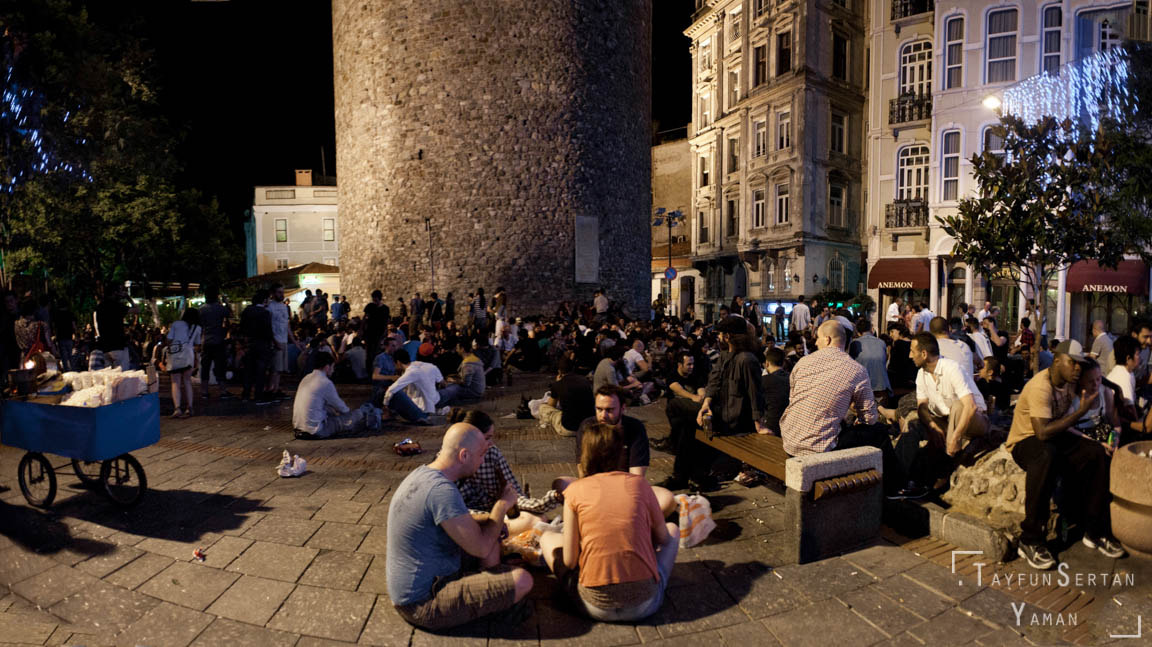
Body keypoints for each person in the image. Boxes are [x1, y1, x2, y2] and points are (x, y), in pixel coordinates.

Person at [386, 422, 534, 631]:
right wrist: (501, 505)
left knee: (492, 533)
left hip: (428, 575)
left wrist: (490, 520)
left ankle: (495, 590)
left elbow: (456, 520)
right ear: (464, 456)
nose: (483, 461)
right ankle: (496, 600)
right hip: (422, 601)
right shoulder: (442, 492)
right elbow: (480, 547)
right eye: (481, 455)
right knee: (523, 580)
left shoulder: (424, 474)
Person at [539, 422, 678, 622]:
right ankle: (643, 576)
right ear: (620, 452)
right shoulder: (639, 484)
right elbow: (664, 538)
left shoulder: (574, 491)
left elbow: (569, 561)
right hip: (645, 604)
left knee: (547, 537)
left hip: (593, 606)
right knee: (673, 530)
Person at [1007, 345, 1125, 570]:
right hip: (1026, 441)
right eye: (1073, 362)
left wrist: (1117, 390)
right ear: (1057, 360)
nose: (1077, 368)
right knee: (1047, 455)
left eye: (1079, 363)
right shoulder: (1040, 387)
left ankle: (1094, 530)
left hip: (1055, 437)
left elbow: (1099, 379)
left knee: (1096, 453)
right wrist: (1081, 412)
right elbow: (1042, 433)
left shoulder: (1071, 379)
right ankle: (1030, 539)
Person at [780, 321, 904, 493]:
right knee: (879, 432)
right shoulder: (856, 370)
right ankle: (895, 487)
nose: (815, 343)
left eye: (818, 339)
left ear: (828, 339)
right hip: (818, 448)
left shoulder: (802, 363)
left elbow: (794, 398)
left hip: (790, 441)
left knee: (842, 426)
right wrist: (856, 412)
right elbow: (870, 417)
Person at [902, 332, 989, 496]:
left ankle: (944, 471)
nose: (909, 355)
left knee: (958, 405)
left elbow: (970, 406)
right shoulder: (922, 374)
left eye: (912, 351)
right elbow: (922, 406)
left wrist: (955, 437)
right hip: (947, 420)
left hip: (975, 420)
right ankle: (904, 477)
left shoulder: (951, 368)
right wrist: (933, 426)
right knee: (914, 423)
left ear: (924, 354)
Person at [451, 408, 561, 535]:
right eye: (487, 438)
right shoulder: (450, 467)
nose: (491, 444)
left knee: (538, 519)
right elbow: (455, 513)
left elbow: (514, 494)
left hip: (497, 516)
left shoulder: (492, 453)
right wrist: (494, 516)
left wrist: (548, 501)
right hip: (468, 524)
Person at [575, 386, 674, 515]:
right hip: (594, 488)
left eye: (609, 410)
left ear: (622, 408)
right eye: (599, 409)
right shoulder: (588, 427)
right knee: (561, 483)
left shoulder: (634, 428)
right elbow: (583, 472)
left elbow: (636, 477)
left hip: (624, 488)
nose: (603, 415)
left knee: (666, 498)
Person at [695, 315, 767, 438]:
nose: (718, 337)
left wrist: (758, 423)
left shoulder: (746, 359)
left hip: (736, 423)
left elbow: (755, 393)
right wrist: (706, 403)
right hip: (720, 414)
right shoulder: (724, 355)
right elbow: (714, 380)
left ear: (727, 336)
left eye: (720, 334)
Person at [657, 350, 713, 491]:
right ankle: (688, 476)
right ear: (679, 364)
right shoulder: (673, 376)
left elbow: (701, 392)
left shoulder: (696, 376)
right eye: (688, 364)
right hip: (681, 413)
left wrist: (700, 399)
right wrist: (694, 398)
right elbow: (679, 390)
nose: (691, 367)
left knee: (685, 430)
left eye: (693, 364)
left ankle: (682, 476)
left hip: (692, 414)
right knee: (678, 410)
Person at [292, 353, 370, 439]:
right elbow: (343, 409)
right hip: (317, 431)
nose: (333, 370)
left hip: (298, 428)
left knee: (330, 410)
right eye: (333, 367)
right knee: (357, 415)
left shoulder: (306, 378)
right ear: (327, 367)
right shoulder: (325, 382)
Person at [383, 348, 443, 424]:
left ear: (398, 362)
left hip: (422, 413)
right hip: (431, 404)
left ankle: (385, 412)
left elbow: (391, 390)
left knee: (394, 392)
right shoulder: (421, 366)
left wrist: (385, 405)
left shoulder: (411, 372)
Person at [538, 356, 594, 437]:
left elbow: (551, 405)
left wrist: (557, 385)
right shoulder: (585, 380)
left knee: (543, 408)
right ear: (573, 368)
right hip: (588, 426)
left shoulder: (558, 384)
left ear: (559, 371)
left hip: (569, 428)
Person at [267, 284, 303, 400]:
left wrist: (294, 340)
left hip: (283, 340)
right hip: (276, 340)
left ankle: (276, 389)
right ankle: (270, 390)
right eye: (279, 292)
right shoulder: (269, 307)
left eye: (282, 292)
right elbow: (268, 326)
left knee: (280, 368)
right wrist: (274, 340)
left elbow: (286, 325)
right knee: (275, 368)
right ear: (273, 293)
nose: (281, 295)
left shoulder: (284, 307)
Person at [165, 308, 202, 418]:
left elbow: (169, 340)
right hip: (188, 355)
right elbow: (197, 344)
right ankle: (189, 407)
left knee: (175, 382)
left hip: (175, 355)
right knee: (187, 381)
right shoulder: (198, 327)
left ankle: (177, 408)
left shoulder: (176, 324)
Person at [240, 289, 275, 404]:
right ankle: (258, 396)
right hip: (262, 344)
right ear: (264, 300)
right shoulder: (265, 313)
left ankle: (246, 394)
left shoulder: (247, 311)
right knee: (261, 371)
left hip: (250, 343)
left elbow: (242, 327)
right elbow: (268, 331)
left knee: (248, 370)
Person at [199, 286, 233, 399]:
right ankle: (223, 391)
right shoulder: (220, 308)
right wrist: (226, 301)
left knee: (205, 367)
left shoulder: (201, 309)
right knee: (220, 367)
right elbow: (231, 313)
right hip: (218, 341)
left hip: (206, 341)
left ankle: (204, 391)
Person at [94, 284, 139, 369]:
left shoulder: (99, 307)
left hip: (105, 347)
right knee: (121, 377)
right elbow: (137, 310)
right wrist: (128, 298)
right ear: (115, 293)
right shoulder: (116, 305)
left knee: (110, 377)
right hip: (118, 346)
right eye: (120, 291)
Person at [849, 318, 891, 405]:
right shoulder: (881, 342)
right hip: (882, 385)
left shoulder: (855, 343)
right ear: (871, 329)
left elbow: (851, 364)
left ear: (857, 332)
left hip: (863, 386)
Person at [436, 339, 486, 407]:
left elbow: (466, 383)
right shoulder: (474, 358)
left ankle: (437, 400)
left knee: (452, 388)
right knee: (450, 385)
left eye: (457, 348)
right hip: (478, 389)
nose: (456, 349)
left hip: (474, 391)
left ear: (462, 349)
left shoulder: (468, 363)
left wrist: (453, 381)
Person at [1106, 335, 1139, 407]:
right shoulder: (1123, 377)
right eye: (1137, 354)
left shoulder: (1127, 372)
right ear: (1128, 358)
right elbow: (1129, 408)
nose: (1139, 358)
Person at [363, 289, 390, 373]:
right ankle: (369, 372)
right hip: (369, 333)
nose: (374, 300)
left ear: (379, 298)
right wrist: (362, 329)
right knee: (369, 354)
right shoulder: (370, 306)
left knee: (376, 353)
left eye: (375, 298)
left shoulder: (385, 309)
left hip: (379, 333)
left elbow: (386, 322)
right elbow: (364, 318)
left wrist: (385, 333)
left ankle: (375, 371)